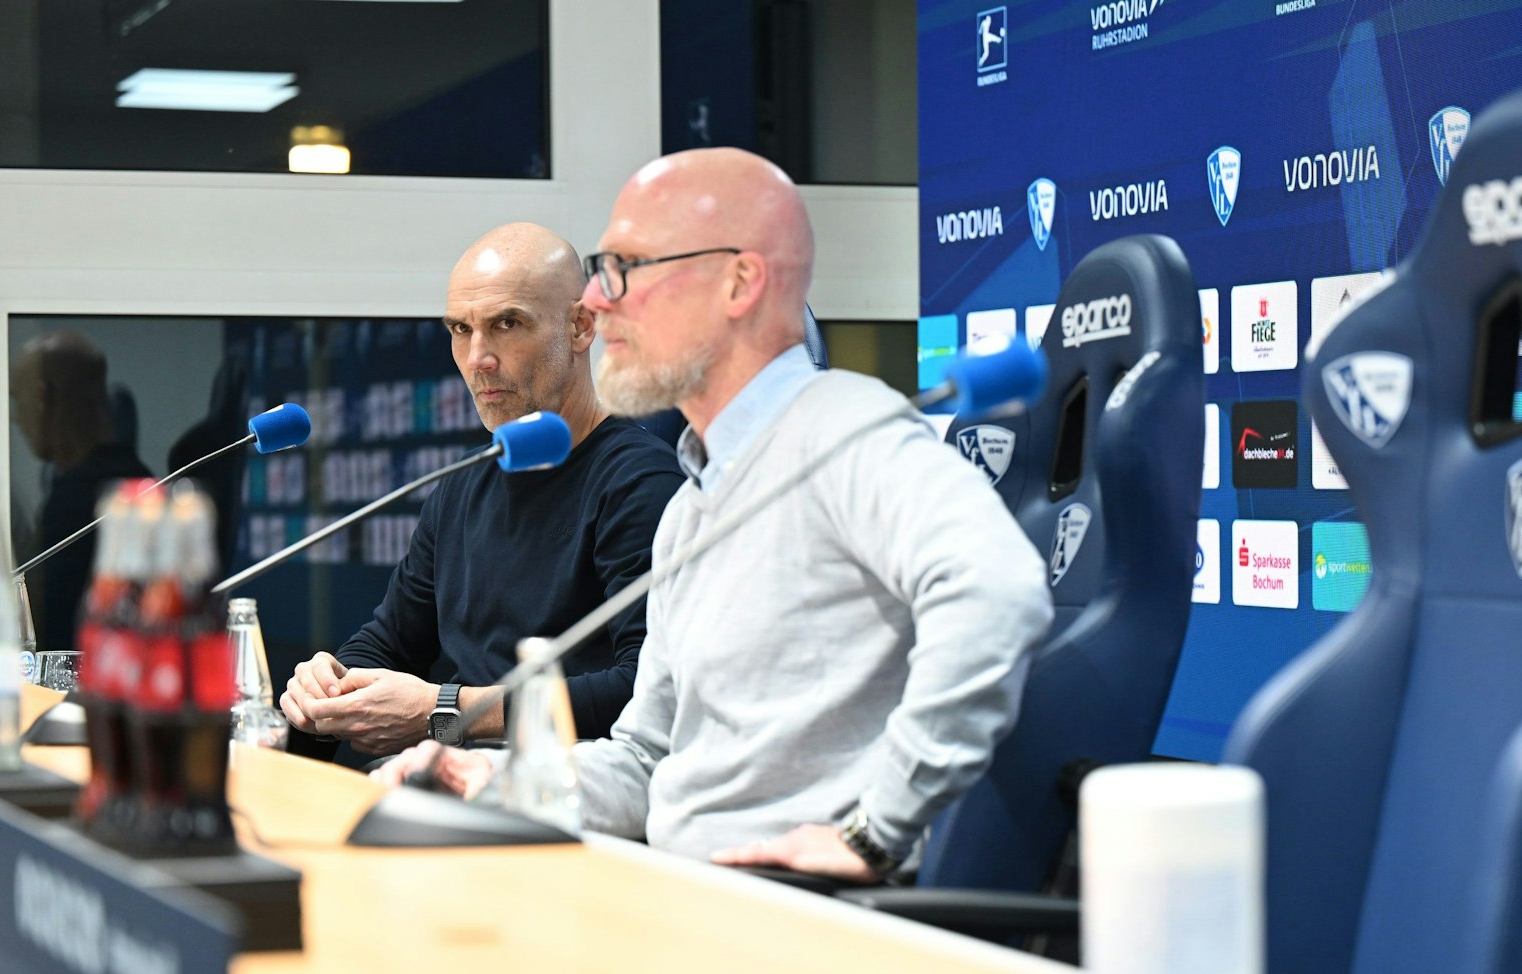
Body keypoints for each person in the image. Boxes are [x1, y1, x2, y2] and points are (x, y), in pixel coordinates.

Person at [374, 150, 1053, 883]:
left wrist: (875, 831)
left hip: (790, 913)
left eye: (627, 268)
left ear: (739, 282)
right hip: (684, 890)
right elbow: (644, 758)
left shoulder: (845, 432)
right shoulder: (698, 496)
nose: (599, 304)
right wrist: (495, 780)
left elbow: (998, 590)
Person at [282, 223, 684, 759]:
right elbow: (391, 642)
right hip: (451, 787)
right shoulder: (461, 487)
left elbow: (647, 690)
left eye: (507, 324)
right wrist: (329, 687)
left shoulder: (640, 483)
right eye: (460, 330)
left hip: (569, 799)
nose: (478, 359)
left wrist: (447, 713)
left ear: (582, 327)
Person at [9, 330, 154, 651]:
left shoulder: (83, 504)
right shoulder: (136, 481)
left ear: (42, 399)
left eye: (18, 401)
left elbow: (55, 639)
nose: (15, 418)